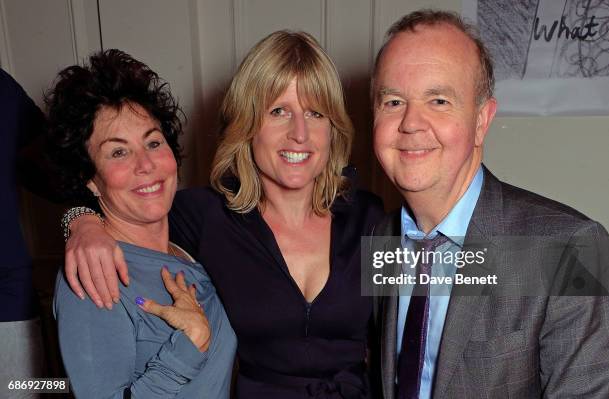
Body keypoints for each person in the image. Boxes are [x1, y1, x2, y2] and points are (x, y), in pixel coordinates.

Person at [61, 31, 384, 398]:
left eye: (315, 112)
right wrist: (81, 222)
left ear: (333, 128)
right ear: (247, 125)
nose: (300, 133)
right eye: (278, 111)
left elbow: (425, 324)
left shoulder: (370, 219)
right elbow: (120, 193)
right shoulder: (205, 216)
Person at [369, 9, 609, 399]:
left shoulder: (572, 250)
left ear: (482, 120)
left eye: (439, 100)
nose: (411, 123)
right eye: (394, 101)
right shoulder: (382, 236)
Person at [48, 49, 236, 398]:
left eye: (153, 142)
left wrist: (78, 218)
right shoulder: (94, 274)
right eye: (118, 151)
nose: (146, 164)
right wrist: (188, 346)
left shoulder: (197, 225)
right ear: (89, 178)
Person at [0, 68, 49, 397]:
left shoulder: (2, 90)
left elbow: (61, 173)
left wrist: (82, 216)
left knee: (33, 389)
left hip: (7, 297)